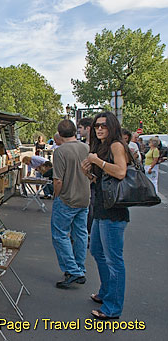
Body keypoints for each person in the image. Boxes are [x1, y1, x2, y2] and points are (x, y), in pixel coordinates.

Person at [81, 111, 129, 320]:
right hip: (101, 208)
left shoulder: (116, 145)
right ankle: (106, 293)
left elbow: (120, 172)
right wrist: (88, 173)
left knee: (113, 260)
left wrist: (96, 161)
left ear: (112, 127)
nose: (100, 129)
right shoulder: (101, 147)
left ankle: (112, 307)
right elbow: (102, 182)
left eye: (104, 126)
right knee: (98, 252)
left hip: (113, 211)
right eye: (97, 126)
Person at [51, 119, 90, 289]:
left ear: (59, 134)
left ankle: (73, 270)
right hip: (84, 197)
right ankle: (80, 267)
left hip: (67, 197)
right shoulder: (86, 148)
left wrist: (56, 195)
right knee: (80, 234)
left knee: (60, 235)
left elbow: (58, 180)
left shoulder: (61, 151)